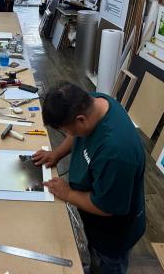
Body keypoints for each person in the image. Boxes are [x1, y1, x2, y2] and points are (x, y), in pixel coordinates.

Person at [32, 82, 146, 274]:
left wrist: (68, 193)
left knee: (107, 264)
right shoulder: (93, 102)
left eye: (68, 131)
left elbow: (106, 207)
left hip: (113, 234)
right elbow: (76, 133)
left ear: (81, 120)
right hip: (96, 221)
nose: (69, 135)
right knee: (94, 257)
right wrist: (57, 153)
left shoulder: (116, 152)